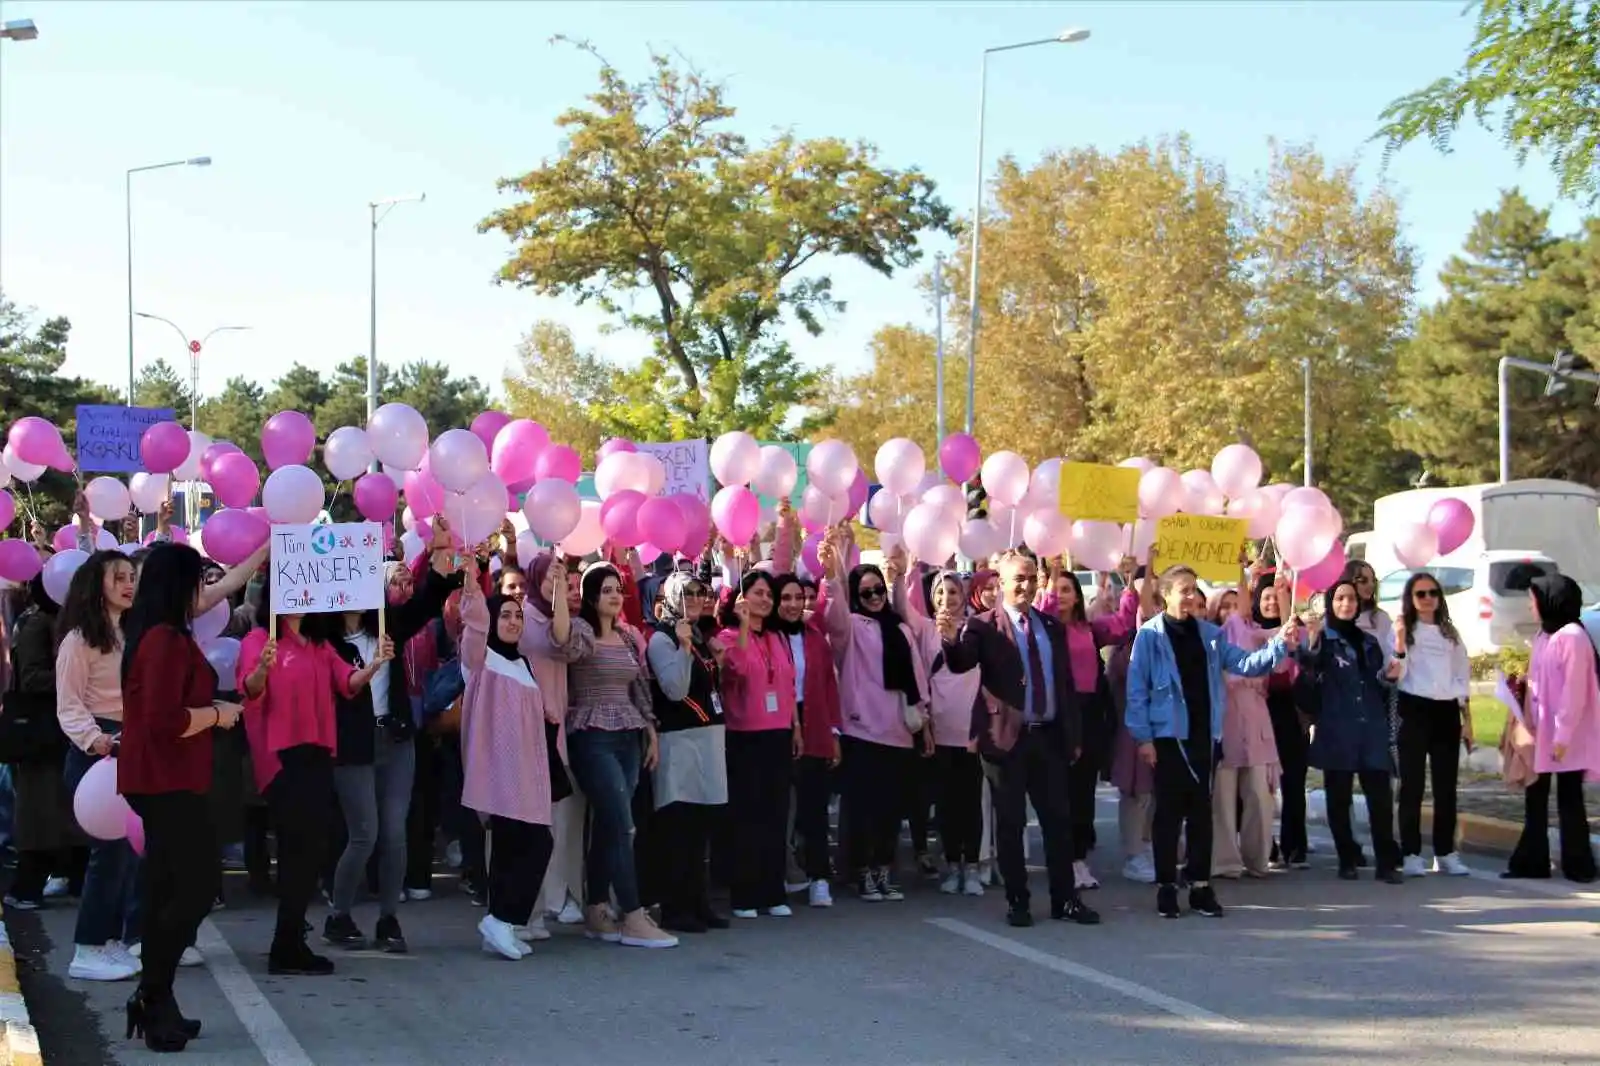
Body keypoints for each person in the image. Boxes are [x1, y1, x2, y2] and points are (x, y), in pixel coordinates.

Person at [119, 543, 243, 1052]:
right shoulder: (164, 640)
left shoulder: (158, 635)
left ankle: (158, 998)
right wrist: (217, 715)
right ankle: (152, 994)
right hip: (165, 779)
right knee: (193, 888)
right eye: (197, 582)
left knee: (168, 889)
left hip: (166, 778)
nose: (202, 592)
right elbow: (165, 721)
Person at [1125, 564, 1293, 920]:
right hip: (1168, 738)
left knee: (1202, 813)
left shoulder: (1211, 635)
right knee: (1168, 815)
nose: (1190, 597)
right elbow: (1136, 691)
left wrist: (1280, 645)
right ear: (1165, 595)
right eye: (1182, 590)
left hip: (1205, 736)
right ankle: (1166, 886)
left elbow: (1247, 663)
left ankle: (1201, 886)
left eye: (1194, 591)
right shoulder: (1150, 636)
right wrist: (1144, 738)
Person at [942, 551, 1099, 928]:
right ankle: (1018, 900)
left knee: (1058, 822)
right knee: (1010, 825)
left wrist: (1073, 736)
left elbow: (1065, 685)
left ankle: (1065, 899)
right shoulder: (983, 626)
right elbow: (962, 661)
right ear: (1002, 583)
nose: (1025, 586)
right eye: (1018, 579)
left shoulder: (1051, 626)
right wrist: (949, 640)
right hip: (1004, 741)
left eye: (1031, 578)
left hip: (1047, 738)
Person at [323, 521, 459, 953]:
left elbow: (426, 602)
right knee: (364, 833)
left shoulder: (388, 627)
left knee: (395, 832)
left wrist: (439, 552)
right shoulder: (323, 641)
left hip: (396, 738)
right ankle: (339, 914)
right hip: (353, 746)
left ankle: (388, 919)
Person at [237, 596, 391, 976]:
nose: (302, 598)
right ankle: (286, 944)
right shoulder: (258, 640)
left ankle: (289, 941)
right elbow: (251, 691)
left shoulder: (320, 645)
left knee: (310, 852)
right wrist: (261, 670)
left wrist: (373, 665)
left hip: (319, 755)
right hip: (281, 758)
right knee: (296, 850)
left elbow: (347, 682)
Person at [456, 558, 567, 958]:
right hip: (501, 772)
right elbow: (474, 626)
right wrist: (471, 582)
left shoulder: (522, 663)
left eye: (518, 616)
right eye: (505, 615)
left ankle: (502, 923)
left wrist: (546, 713)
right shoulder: (480, 660)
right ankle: (503, 919)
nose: (514, 621)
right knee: (534, 844)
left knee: (514, 849)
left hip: (529, 772)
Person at [565, 564, 677, 948]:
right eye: (607, 590)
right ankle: (632, 913)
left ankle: (596, 908)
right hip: (592, 736)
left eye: (618, 589)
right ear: (592, 596)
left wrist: (651, 732)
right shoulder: (581, 632)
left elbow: (641, 690)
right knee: (623, 825)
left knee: (611, 826)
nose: (615, 596)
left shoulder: (629, 637)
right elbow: (563, 644)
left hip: (629, 736)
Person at [820, 531, 931, 905]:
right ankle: (863, 872)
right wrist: (834, 571)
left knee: (889, 811)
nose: (873, 598)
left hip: (899, 732)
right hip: (861, 731)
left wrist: (924, 723)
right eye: (865, 592)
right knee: (863, 810)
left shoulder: (899, 628)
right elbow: (833, 614)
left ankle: (884, 870)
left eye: (877, 591)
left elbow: (916, 676)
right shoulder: (849, 627)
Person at [55, 552, 141, 982]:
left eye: (132, 577)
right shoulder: (78, 640)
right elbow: (68, 707)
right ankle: (86, 948)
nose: (129, 584)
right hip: (96, 752)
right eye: (119, 578)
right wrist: (97, 740)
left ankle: (109, 942)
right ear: (96, 584)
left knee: (125, 854)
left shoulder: (130, 632)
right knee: (107, 853)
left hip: (129, 744)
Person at [1038, 559, 1140, 890]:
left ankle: (1079, 859)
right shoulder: (1045, 626)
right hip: (1058, 717)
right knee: (1060, 793)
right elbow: (1047, 610)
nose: (1061, 595)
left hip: (1089, 716)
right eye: (1058, 590)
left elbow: (1124, 623)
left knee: (1083, 793)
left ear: (1079, 596)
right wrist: (1051, 578)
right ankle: (1063, 859)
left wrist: (1130, 584)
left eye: (1068, 589)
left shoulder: (1088, 629)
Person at [1295, 579, 1405, 884]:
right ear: (1331, 603)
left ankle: (1386, 862)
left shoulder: (1368, 642)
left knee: (1380, 799)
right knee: (1339, 798)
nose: (1346, 604)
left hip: (1370, 728)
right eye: (1340, 598)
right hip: (1336, 728)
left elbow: (1380, 681)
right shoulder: (1323, 639)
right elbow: (1306, 665)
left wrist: (1394, 662)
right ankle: (1347, 858)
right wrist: (1313, 638)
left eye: (1352, 599)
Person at [645, 572, 730, 932]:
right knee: (678, 828)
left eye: (701, 592)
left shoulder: (698, 636)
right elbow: (675, 690)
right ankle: (676, 908)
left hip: (707, 740)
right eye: (688, 592)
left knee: (700, 827)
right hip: (679, 744)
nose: (696, 598)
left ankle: (699, 902)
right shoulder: (663, 640)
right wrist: (682, 647)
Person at [897, 559, 985, 896]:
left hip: (973, 732)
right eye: (940, 592)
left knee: (971, 803)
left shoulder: (977, 629)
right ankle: (952, 865)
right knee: (947, 805)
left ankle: (973, 867)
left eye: (952, 591)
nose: (947, 598)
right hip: (941, 730)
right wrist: (905, 570)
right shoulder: (925, 630)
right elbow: (903, 606)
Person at [1504, 574, 1600, 882]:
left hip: (1566, 733)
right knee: (1536, 794)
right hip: (1540, 730)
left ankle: (1579, 865)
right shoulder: (1545, 636)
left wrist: (1562, 736)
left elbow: (1574, 692)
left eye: (1534, 601)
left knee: (1569, 798)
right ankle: (1532, 862)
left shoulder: (1572, 636)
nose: (1531, 607)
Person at [716, 569, 800, 917]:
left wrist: (796, 726)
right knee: (747, 816)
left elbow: (790, 686)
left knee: (775, 814)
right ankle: (745, 894)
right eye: (758, 593)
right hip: (744, 737)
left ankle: (772, 891)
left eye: (768, 594)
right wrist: (744, 626)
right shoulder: (727, 637)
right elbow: (738, 671)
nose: (765, 600)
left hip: (779, 733)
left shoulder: (779, 639)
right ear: (742, 597)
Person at [1210, 561, 1294, 880]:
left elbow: (1283, 637)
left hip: (1256, 724)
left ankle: (1257, 859)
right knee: (1223, 799)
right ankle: (1225, 862)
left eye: (1236, 604)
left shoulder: (1254, 636)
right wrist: (1240, 576)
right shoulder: (1212, 639)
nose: (1232, 611)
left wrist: (1284, 594)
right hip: (1223, 724)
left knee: (1260, 796)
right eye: (1225, 605)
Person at [3, 574, 82, 911]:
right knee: (41, 812)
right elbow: (32, 677)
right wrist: (76, 677)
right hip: (42, 730)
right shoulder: (39, 624)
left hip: (62, 729)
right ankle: (29, 886)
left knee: (64, 810)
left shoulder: (65, 623)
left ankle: (69, 877)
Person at [1393, 570, 1473, 878]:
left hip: (1446, 712)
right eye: (1420, 594)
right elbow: (1396, 672)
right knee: (1412, 785)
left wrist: (1467, 720)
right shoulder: (1406, 630)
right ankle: (1411, 853)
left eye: (1433, 593)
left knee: (1446, 787)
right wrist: (1400, 642)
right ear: (1411, 599)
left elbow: (1461, 678)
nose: (1428, 600)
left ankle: (1445, 852)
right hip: (1414, 709)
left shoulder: (1450, 634)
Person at [770, 571, 841, 908]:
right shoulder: (766, 636)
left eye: (799, 598)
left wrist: (834, 733)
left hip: (814, 723)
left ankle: (819, 878)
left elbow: (829, 686)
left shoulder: (814, 636)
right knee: (778, 807)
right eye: (786, 598)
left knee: (814, 809)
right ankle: (777, 875)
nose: (794, 604)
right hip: (774, 724)